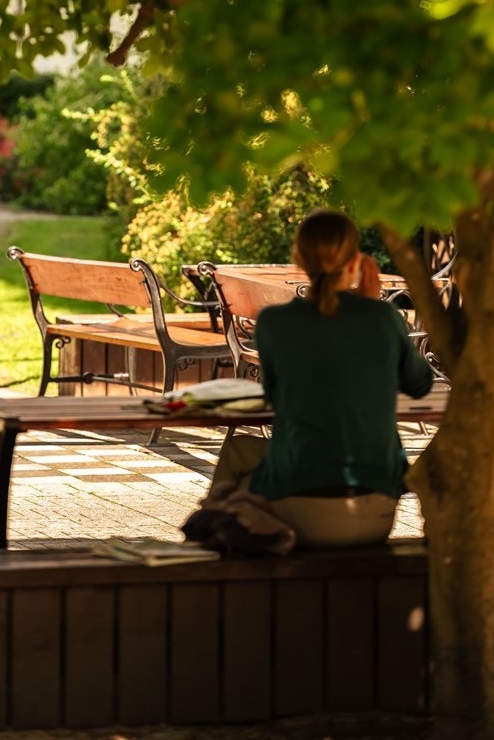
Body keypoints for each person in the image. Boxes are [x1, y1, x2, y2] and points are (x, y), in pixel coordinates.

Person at [185, 207, 435, 552]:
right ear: (356, 260)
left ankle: (223, 532)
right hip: (379, 512)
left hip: (303, 512)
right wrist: (373, 308)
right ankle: (232, 522)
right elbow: (420, 383)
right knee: (241, 450)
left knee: (239, 462)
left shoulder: (276, 322)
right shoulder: (383, 318)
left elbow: (276, 395)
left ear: (298, 259)